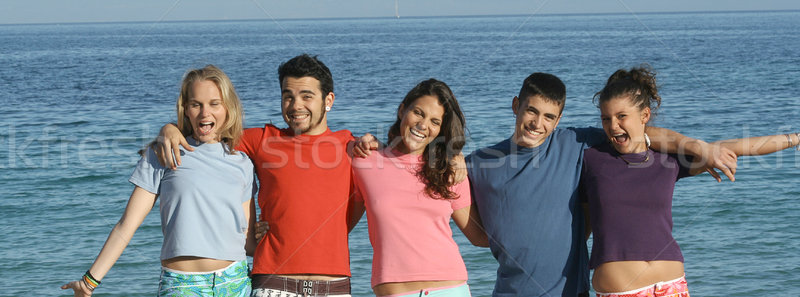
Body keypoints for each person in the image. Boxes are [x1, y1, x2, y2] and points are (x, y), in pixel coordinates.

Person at [465, 72, 738, 297]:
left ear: (558, 120)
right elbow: (477, 234)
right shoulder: (478, 164)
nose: (537, 123)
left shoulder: (573, 143)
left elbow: (640, 135)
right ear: (516, 106)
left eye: (549, 116)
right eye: (531, 111)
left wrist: (699, 147)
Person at [580, 65, 799, 297]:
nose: (613, 125)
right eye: (606, 118)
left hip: (673, 285)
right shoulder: (592, 158)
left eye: (621, 116)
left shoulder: (667, 160)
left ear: (644, 115)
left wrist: (795, 139)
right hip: (622, 290)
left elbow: (741, 146)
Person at [154, 54, 358, 297]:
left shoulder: (350, 147)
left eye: (307, 96)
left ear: (329, 100)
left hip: (334, 287)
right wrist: (169, 129)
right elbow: (208, 132)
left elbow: (360, 207)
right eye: (287, 96)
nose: (295, 106)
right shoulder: (262, 140)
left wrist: (324, 231)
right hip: (272, 284)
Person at [61, 65, 256, 297]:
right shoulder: (162, 153)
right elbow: (127, 224)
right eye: (196, 104)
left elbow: (247, 240)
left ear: (228, 107)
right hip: (182, 284)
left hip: (235, 280)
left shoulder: (242, 162)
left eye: (214, 103)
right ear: (186, 110)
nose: (205, 113)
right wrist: (89, 282)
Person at [349, 79, 488, 297]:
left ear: (441, 129)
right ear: (402, 110)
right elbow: (339, 226)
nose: (423, 125)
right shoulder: (365, 161)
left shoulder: (449, 169)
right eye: (418, 113)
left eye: (435, 121)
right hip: (395, 292)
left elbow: (479, 236)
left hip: (450, 289)